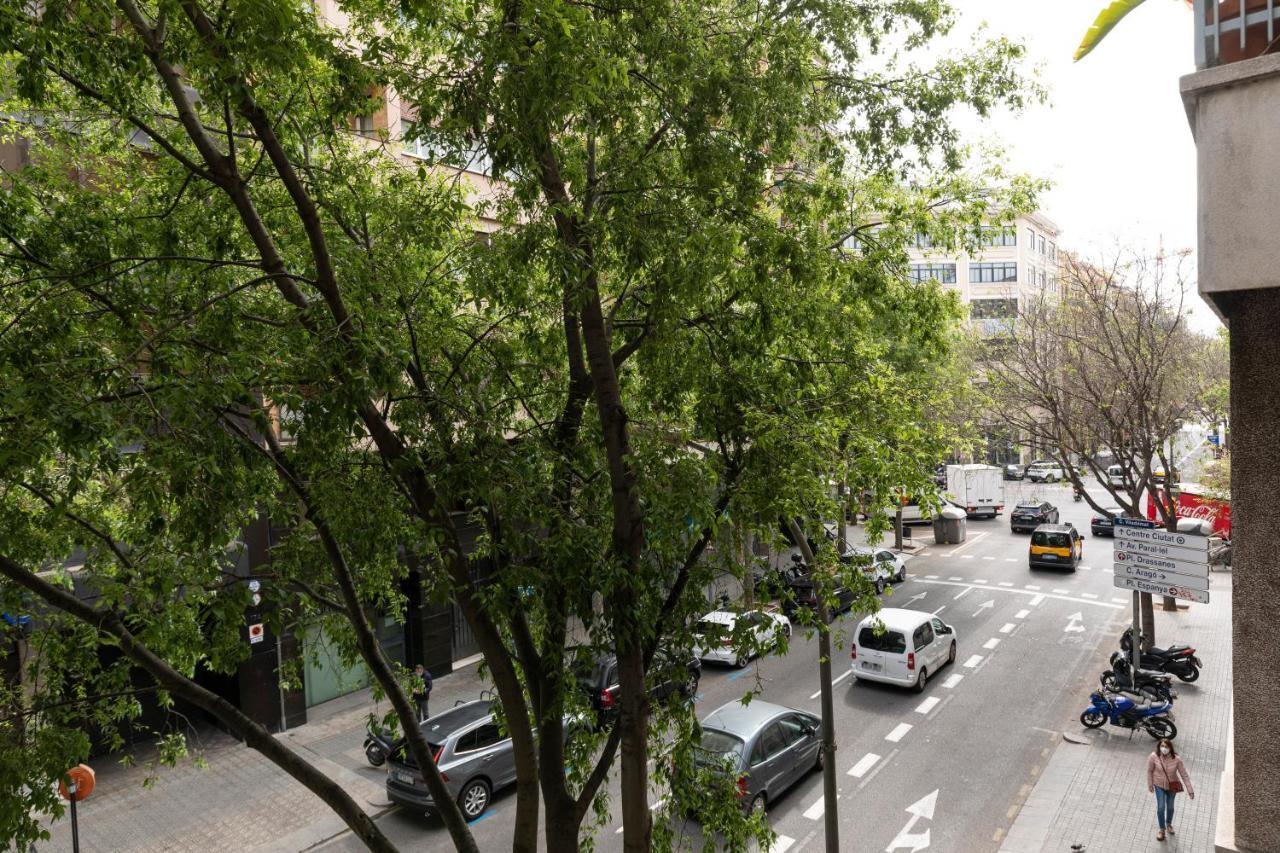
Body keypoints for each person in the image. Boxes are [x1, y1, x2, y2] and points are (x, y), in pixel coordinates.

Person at [1147, 737, 1194, 841]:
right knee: (1161, 807)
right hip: (1159, 785)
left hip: (1172, 787)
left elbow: (1184, 775)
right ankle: (1162, 829)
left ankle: (1169, 824)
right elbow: (1150, 771)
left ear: (1170, 748)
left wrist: (1190, 790)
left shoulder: (1177, 759)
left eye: (1166, 746)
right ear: (1159, 747)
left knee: (1170, 808)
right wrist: (1150, 784)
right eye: (1162, 746)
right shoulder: (1154, 756)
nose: (1164, 748)